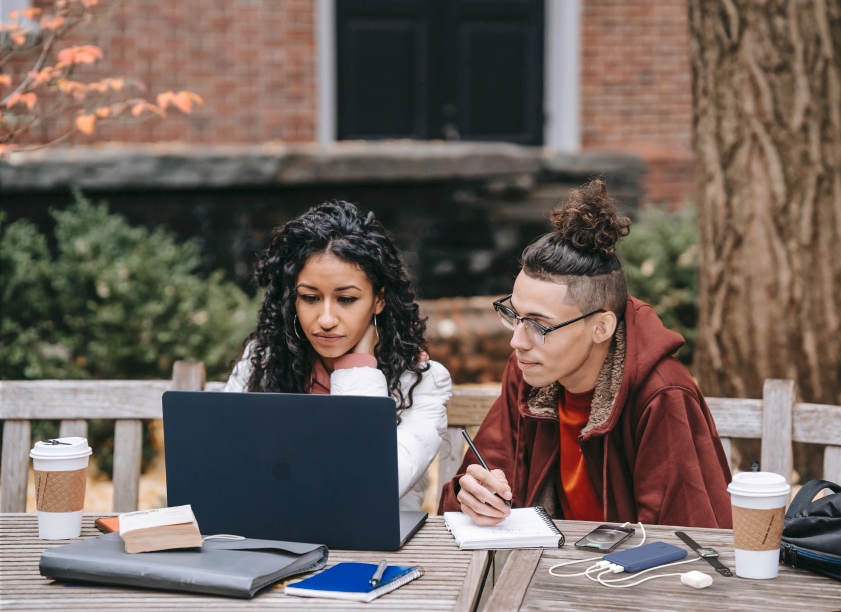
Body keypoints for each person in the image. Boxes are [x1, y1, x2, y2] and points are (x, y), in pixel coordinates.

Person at [438, 179, 732, 528]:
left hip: (624, 577)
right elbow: (480, 483)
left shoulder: (662, 395)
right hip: (547, 568)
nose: (517, 341)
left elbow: (686, 537)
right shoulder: (530, 371)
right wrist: (470, 494)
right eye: (514, 316)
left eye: (539, 325)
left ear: (601, 328)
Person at [225, 200, 452, 512]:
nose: (327, 318)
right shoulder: (262, 361)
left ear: (379, 300)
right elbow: (228, 467)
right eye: (309, 298)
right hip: (272, 540)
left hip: (370, 551)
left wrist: (358, 366)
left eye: (346, 299)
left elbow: (371, 486)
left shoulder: (422, 381)